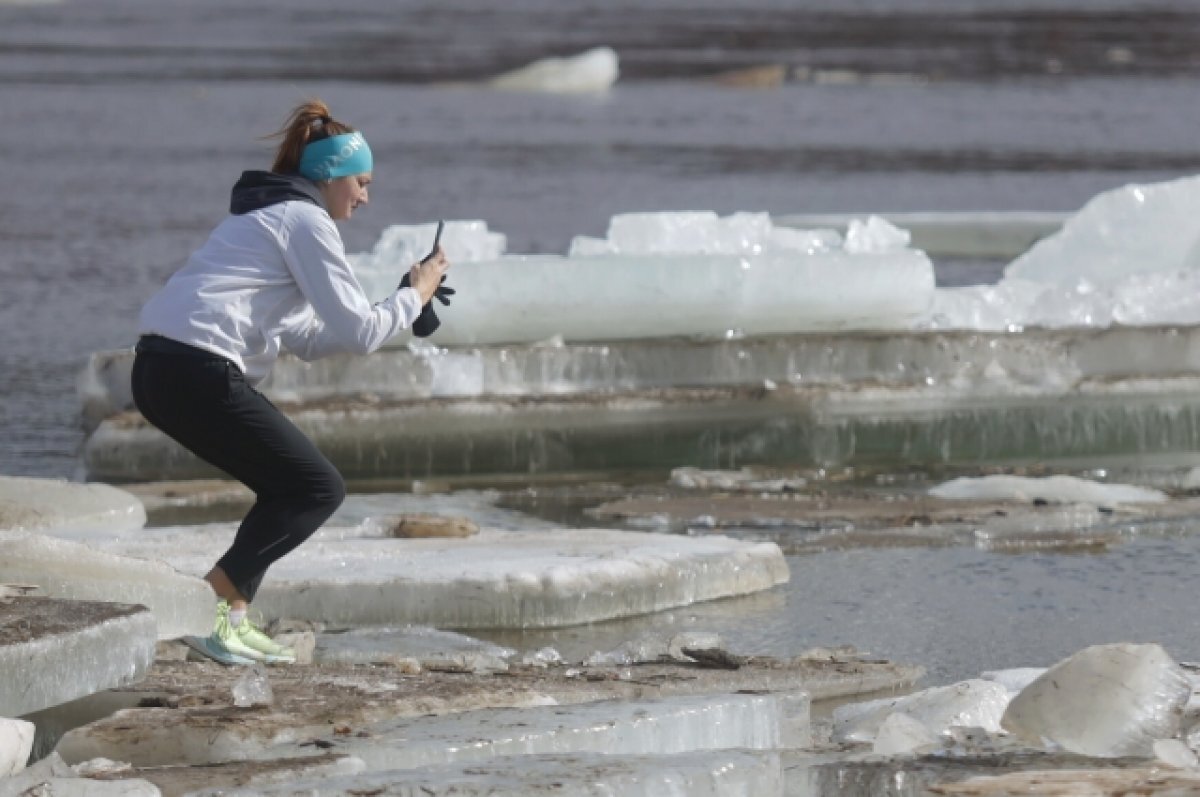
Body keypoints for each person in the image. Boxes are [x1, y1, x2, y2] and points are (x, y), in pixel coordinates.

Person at [131, 98, 451, 665]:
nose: (365, 196)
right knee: (315, 488)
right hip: (195, 370)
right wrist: (415, 294)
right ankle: (208, 609)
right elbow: (358, 332)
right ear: (328, 174)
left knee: (291, 488)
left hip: (161, 370)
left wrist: (399, 303)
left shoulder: (268, 215)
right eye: (361, 181)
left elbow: (305, 337)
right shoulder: (304, 219)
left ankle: (229, 618)